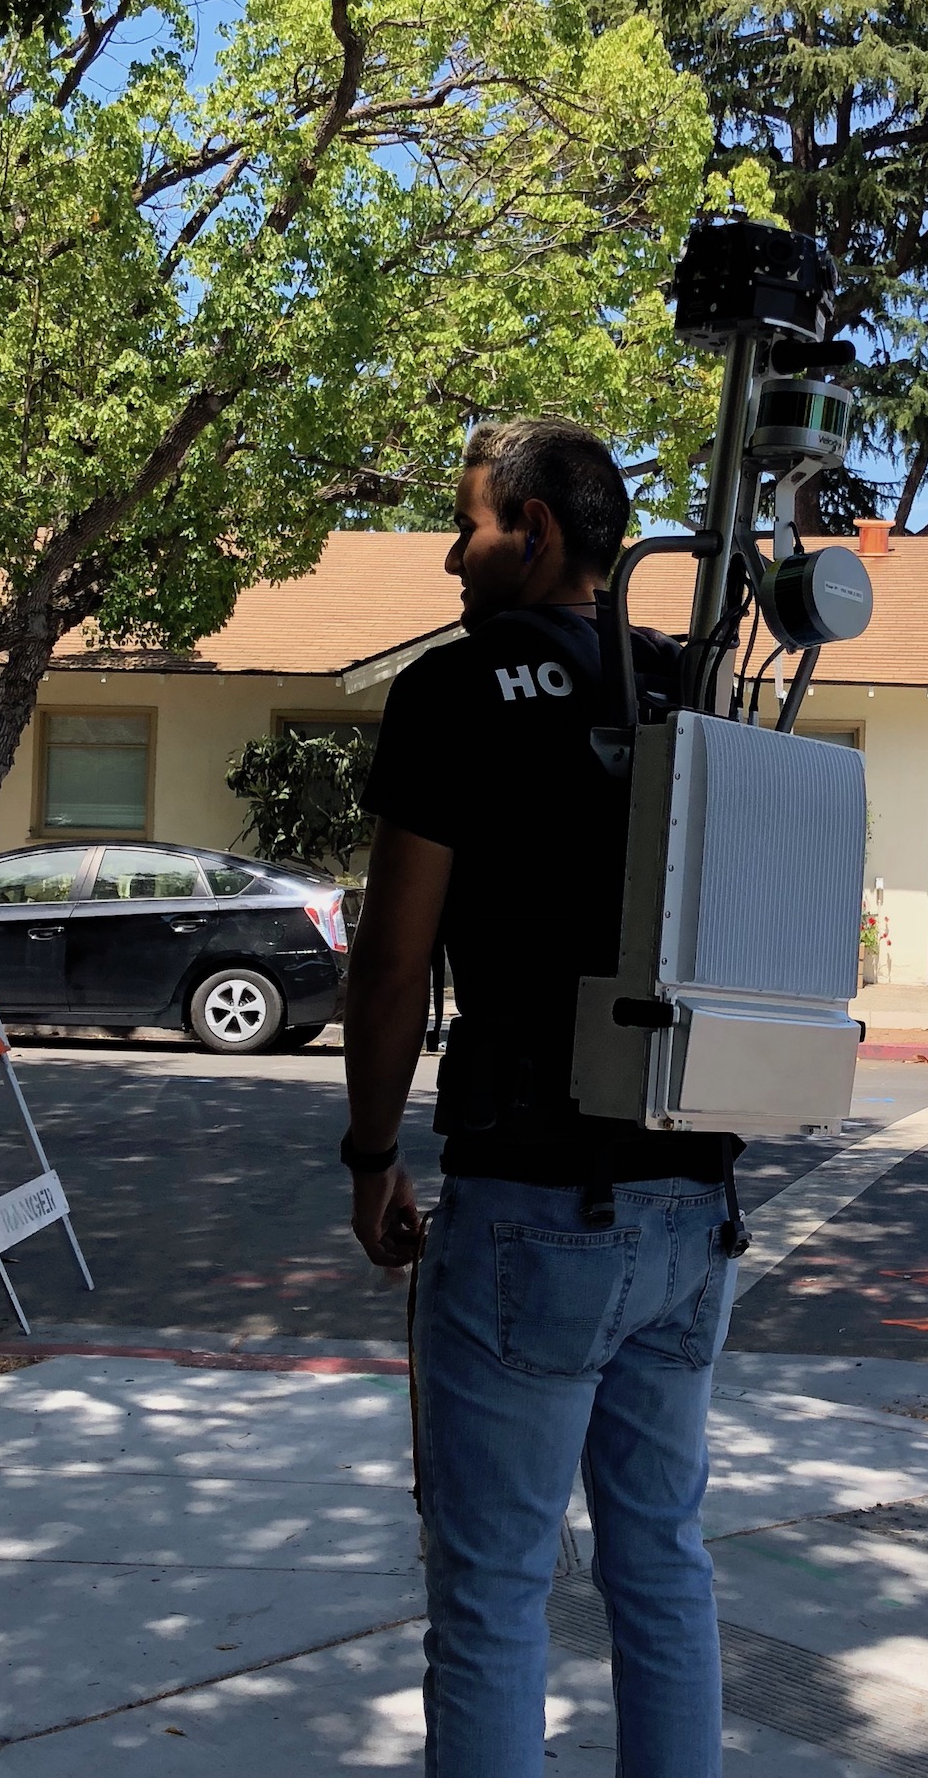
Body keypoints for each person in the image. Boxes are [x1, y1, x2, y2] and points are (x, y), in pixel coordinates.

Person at [342, 419, 741, 1777]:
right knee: (662, 1565)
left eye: (472, 526)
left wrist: (366, 1152)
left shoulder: (452, 694)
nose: (454, 557)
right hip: (694, 1204)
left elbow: (395, 963)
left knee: (498, 1594)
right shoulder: (692, 691)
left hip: (528, 1200)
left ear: (541, 533)